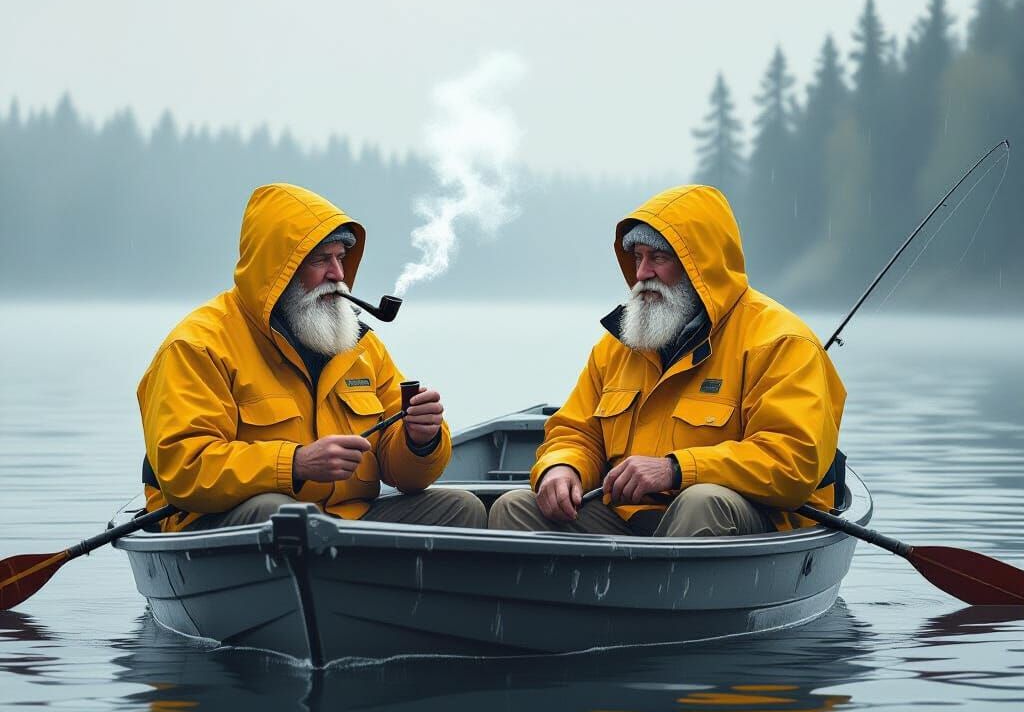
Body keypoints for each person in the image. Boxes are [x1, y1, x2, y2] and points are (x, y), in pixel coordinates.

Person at [489, 184, 846, 537]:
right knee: (517, 507)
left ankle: (659, 575)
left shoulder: (781, 341)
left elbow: (792, 462)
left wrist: (676, 470)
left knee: (701, 502)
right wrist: (562, 467)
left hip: (755, 521)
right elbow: (576, 432)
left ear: (699, 266)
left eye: (658, 258)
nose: (642, 273)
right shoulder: (619, 345)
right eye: (638, 257)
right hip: (629, 519)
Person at [138, 183, 485, 531]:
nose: (338, 274)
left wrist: (420, 441)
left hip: (343, 520)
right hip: (222, 523)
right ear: (278, 270)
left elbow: (405, 475)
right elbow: (184, 468)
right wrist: (295, 463)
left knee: (461, 509)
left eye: (340, 258)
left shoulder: (360, 345)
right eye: (321, 260)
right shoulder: (198, 346)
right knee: (282, 515)